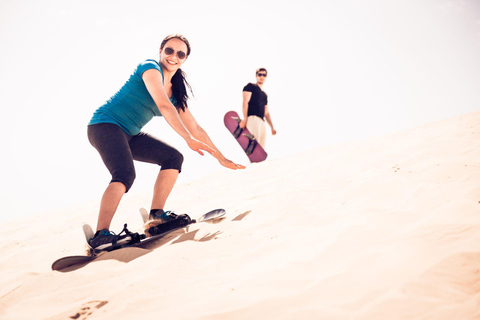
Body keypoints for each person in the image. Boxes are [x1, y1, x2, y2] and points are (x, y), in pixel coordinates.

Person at [87, 34, 245, 250]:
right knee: (124, 174)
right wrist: (187, 138)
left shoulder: (176, 91)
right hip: (105, 125)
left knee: (173, 158)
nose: (174, 56)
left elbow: (196, 127)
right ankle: (100, 235)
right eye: (169, 50)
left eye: (180, 54)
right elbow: (163, 105)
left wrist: (221, 158)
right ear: (160, 50)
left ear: (185, 60)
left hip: (130, 134)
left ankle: (157, 217)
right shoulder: (150, 67)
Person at [239, 68, 276, 148]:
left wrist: (272, 127)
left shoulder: (264, 95)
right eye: (260, 74)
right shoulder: (250, 86)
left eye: (264, 75)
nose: (262, 76)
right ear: (256, 76)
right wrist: (245, 118)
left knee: (261, 149)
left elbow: (266, 113)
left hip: (262, 121)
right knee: (254, 145)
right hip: (252, 119)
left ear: (266, 77)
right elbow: (245, 102)